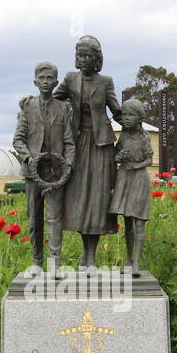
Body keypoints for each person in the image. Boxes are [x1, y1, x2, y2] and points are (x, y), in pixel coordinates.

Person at [52, 35, 121, 269]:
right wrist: (32, 106)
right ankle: (85, 252)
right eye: (79, 55)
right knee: (80, 198)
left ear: (96, 59)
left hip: (101, 146)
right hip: (78, 144)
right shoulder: (71, 79)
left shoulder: (106, 82)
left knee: (98, 199)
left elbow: (116, 110)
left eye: (87, 56)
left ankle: (91, 255)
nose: (82, 59)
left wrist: (135, 121)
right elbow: (53, 100)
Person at [13, 61, 75, 272]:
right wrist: (30, 159)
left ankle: (55, 263)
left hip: (56, 174)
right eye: (42, 78)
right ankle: (37, 262)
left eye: (50, 79)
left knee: (54, 218)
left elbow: (69, 142)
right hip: (33, 173)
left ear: (56, 82)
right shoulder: (27, 107)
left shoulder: (64, 108)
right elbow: (18, 140)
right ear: (35, 81)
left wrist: (68, 167)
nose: (46, 82)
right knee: (34, 220)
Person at [110, 98, 153, 275]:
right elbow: (114, 153)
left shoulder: (145, 137)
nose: (126, 118)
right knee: (127, 221)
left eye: (131, 115)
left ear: (140, 117)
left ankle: (136, 262)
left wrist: (137, 165)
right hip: (124, 178)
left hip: (139, 180)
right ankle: (128, 260)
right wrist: (119, 157)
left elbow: (150, 159)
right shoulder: (124, 135)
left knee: (139, 222)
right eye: (124, 114)